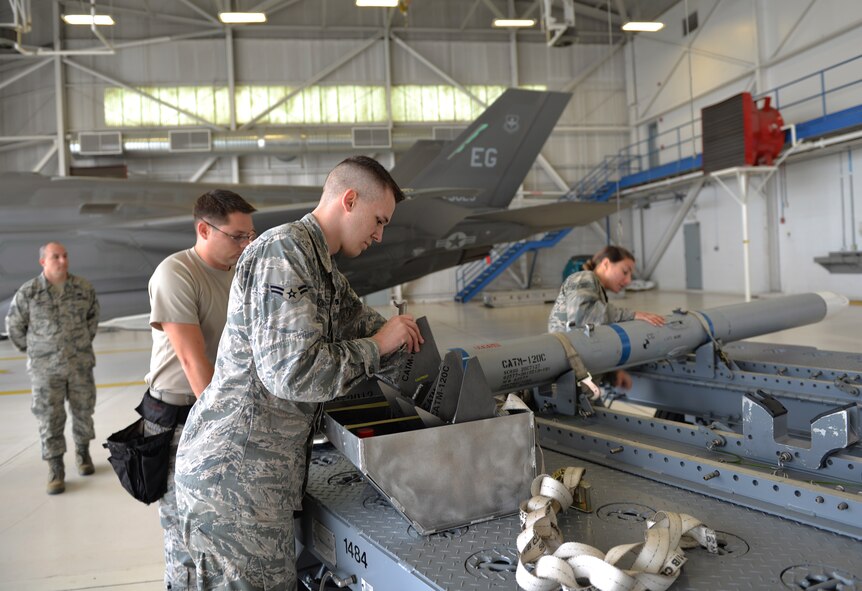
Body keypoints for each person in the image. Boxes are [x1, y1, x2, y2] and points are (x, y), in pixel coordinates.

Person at [175, 155, 422, 591]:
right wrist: (379, 345)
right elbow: (292, 374)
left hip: (262, 478)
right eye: (378, 221)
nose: (380, 236)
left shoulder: (320, 266)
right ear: (349, 200)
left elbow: (368, 326)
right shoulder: (284, 252)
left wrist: (408, 345)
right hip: (234, 478)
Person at [142, 190, 256, 591]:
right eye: (237, 236)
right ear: (204, 229)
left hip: (219, 410)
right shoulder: (176, 273)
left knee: (219, 527)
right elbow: (194, 365)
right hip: (180, 418)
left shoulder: (239, 275)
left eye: (250, 237)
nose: (246, 246)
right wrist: (228, 428)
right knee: (184, 530)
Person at [5, 242, 99, 495]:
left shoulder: (83, 288)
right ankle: (55, 467)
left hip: (79, 364)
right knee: (49, 417)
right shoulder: (30, 292)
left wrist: (78, 345)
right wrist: (38, 351)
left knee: (83, 411)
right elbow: (14, 327)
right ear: (43, 262)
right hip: (45, 370)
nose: (62, 260)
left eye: (65, 256)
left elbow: (93, 318)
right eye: (55, 256)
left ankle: (83, 454)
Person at [548, 245, 664, 389]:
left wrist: (613, 373)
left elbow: (593, 337)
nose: (628, 280)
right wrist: (632, 315)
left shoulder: (596, 291)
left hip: (576, 373)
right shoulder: (583, 278)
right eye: (625, 271)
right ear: (606, 264)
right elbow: (585, 315)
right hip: (566, 374)